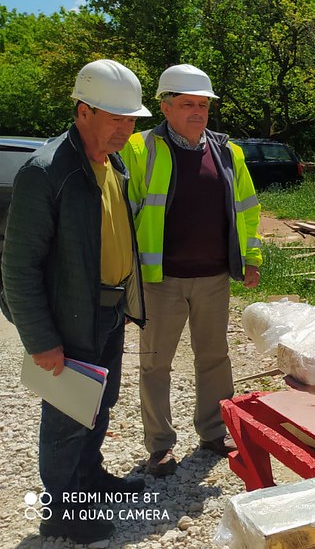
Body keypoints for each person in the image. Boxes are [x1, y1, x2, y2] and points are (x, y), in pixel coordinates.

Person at [1, 59, 151, 544]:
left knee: (99, 407)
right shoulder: (46, 172)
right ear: (83, 111)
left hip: (107, 313)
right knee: (65, 421)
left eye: (132, 120)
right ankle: (62, 513)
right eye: (117, 119)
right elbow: (17, 268)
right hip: (68, 320)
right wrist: (41, 340)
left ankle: (91, 482)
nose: (126, 130)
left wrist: (125, 303)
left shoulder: (114, 162)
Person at [120, 64, 262, 476]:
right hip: (159, 280)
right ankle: (160, 445)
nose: (197, 112)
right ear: (165, 107)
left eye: (202, 104)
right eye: (187, 104)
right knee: (155, 362)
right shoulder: (138, 148)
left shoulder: (227, 152)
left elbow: (248, 211)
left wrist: (251, 259)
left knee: (214, 357)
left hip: (214, 278)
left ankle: (214, 432)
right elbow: (121, 215)